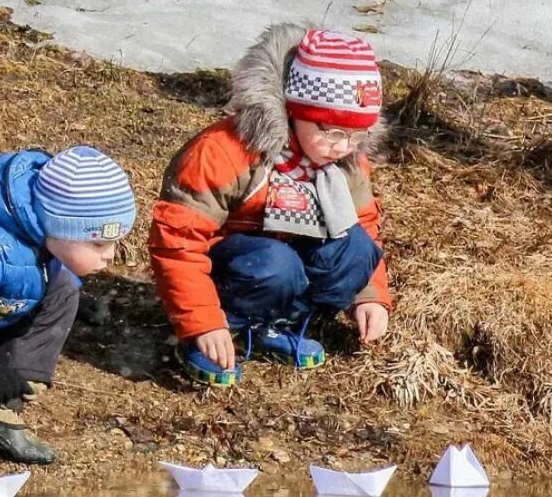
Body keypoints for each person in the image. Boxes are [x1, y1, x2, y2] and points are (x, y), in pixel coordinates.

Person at [149, 26, 391, 387]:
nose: (343, 147)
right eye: (332, 132)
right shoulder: (224, 152)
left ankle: (276, 324)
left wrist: (368, 297)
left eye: (356, 135)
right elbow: (179, 240)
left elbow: (364, 224)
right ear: (296, 109)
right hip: (234, 268)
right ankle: (220, 331)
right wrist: (203, 322)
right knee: (275, 264)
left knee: (355, 248)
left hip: (287, 267)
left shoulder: (344, 161)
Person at [0, 146, 136, 464]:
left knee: (63, 289)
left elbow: (47, 267)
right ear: (59, 227)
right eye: (99, 244)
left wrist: (73, 298)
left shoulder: (42, 234)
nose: (109, 255)